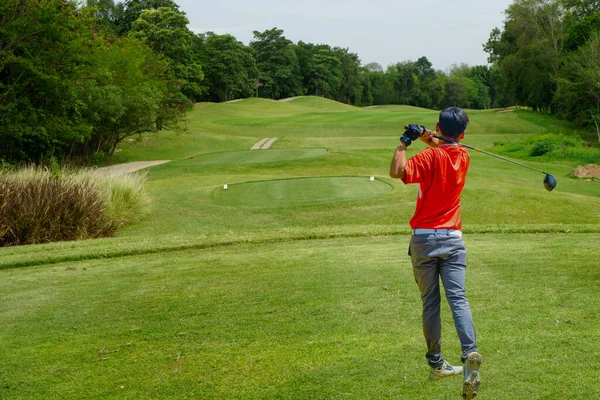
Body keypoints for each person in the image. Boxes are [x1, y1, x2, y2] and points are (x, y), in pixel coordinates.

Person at [389, 107, 482, 399]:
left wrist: (405, 142)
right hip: (453, 238)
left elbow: (396, 171)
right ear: (463, 134)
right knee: (458, 298)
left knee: (430, 303)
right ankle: (469, 353)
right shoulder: (463, 156)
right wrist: (428, 135)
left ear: (440, 126)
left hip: (424, 239)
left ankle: (436, 363)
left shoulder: (429, 156)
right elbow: (446, 145)